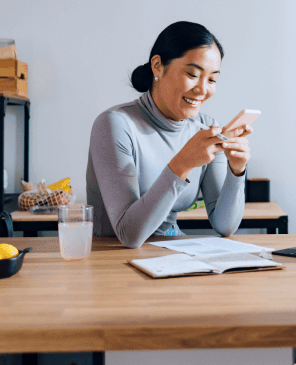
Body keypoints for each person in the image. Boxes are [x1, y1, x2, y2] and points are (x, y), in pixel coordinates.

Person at [86, 21, 251, 248]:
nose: (203, 90)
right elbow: (129, 235)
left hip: (171, 254)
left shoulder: (206, 127)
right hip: (115, 260)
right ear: (157, 66)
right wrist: (183, 162)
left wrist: (237, 170)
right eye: (192, 74)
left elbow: (225, 226)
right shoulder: (114, 124)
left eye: (212, 79)